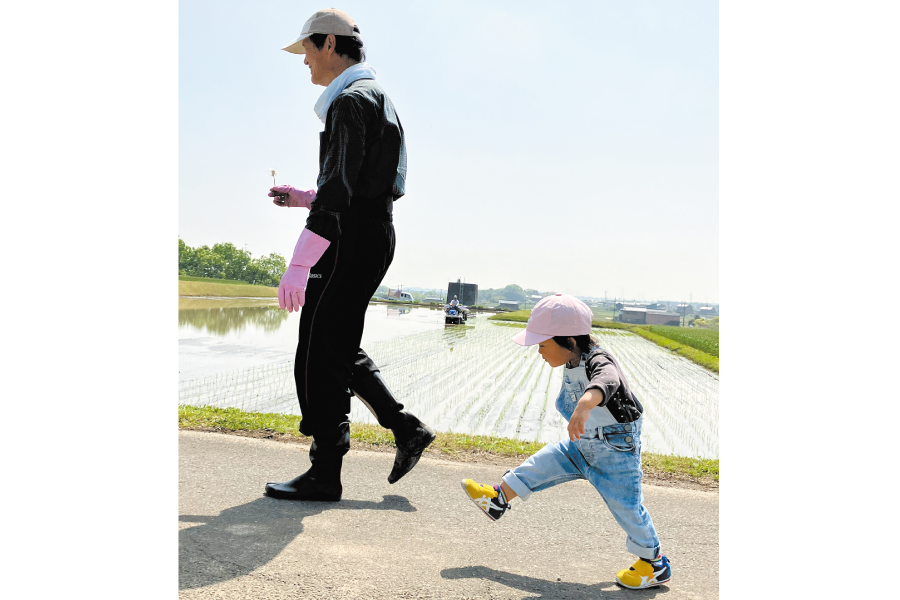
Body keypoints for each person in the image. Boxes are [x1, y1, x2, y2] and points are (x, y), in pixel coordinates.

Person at [264, 8, 435, 502]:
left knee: (320, 349)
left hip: (349, 237)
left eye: (307, 51)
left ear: (331, 45)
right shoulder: (377, 99)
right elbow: (361, 185)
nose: (305, 63)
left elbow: (341, 195)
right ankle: (405, 429)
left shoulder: (349, 102)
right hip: (372, 231)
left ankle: (325, 473)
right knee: (336, 338)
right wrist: (305, 197)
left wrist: (300, 262)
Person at [459, 294, 671, 590]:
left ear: (569, 341)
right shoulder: (573, 358)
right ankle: (498, 498)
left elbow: (608, 379)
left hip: (615, 450)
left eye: (543, 344)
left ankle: (654, 565)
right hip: (582, 444)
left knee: (626, 506)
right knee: (540, 464)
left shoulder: (599, 359)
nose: (539, 351)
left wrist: (585, 405)